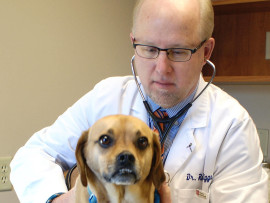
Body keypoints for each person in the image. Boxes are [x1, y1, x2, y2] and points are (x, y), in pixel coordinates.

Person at [10, 0, 269, 202]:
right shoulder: (107, 96)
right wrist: (58, 200)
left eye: (178, 51)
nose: (161, 68)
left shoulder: (231, 126)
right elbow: (32, 156)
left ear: (206, 52)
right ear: (133, 42)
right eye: (149, 49)